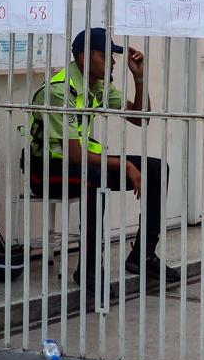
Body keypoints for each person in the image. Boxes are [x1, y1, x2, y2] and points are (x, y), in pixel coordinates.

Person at [27, 27, 182, 289]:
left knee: (156, 169)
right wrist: (123, 165)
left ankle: (142, 256)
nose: (112, 62)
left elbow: (140, 118)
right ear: (85, 57)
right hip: (47, 169)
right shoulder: (59, 91)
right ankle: (88, 269)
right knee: (95, 177)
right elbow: (74, 154)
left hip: (81, 163)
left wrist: (139, 78)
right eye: (106, 55)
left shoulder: (97, 85)